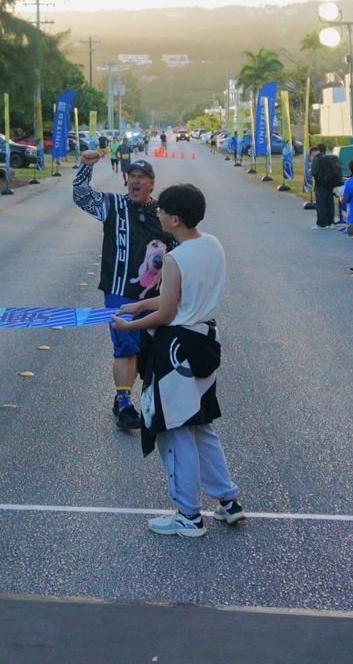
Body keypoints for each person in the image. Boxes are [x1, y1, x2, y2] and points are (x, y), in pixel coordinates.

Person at [112, 183, 244, 537]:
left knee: (175, 431)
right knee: (200, 425)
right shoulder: (211, 244)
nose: (157, 214)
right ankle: (228, 502)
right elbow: (179, 298)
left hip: (176, 350)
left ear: (174, 219)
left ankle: (188, 515)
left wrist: (130, 324)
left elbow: (167, 312)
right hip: (203, 342)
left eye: (162, 211)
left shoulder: (175, 258)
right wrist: (140, 304)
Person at [74, 151, 176, 430]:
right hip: (119, 291)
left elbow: (178, 249)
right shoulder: (113, 205)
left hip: (154, 297)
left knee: (148, 352)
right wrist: (85, 166)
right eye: (131, 176)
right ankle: (123, 405)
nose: (135, 180)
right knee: (126, 347)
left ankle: (145, 400)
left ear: (152, 183)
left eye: (141, 177)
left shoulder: (162, 214)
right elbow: (82, 196)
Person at [311, 144, 344, 230]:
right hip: (330, 185)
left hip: (320, 185)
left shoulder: (317, 159)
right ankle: (331, 223)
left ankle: (321, 224)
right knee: (330, 204)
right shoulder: (330, 159)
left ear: (314, 152)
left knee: (321, 204)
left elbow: (313, 172)